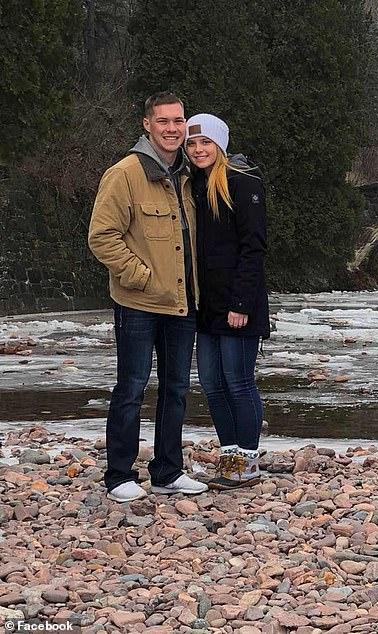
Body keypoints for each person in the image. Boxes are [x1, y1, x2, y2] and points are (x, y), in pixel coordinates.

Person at [88, 92, 208, 502]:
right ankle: (119, 475)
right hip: (138, 303)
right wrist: (140, 276)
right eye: (163, 121)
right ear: (147, 124)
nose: (172, 129)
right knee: (131, 388)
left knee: (176, 389)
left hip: (182, 302)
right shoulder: (124, 174)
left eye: (178, 121)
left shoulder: (189, 175)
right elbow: (102, 236)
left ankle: (167, 472)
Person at [185, 113, 269, 489]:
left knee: (239, 382)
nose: (198, 149)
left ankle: (247, 464)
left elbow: (254, 247)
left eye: (205, 142)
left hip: (239, 303)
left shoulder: (242, 181)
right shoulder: (194, 184)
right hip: (207, 305)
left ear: (220, 144)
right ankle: (229, 458)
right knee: (212, 383)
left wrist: (241, 302)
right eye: (191, 143)